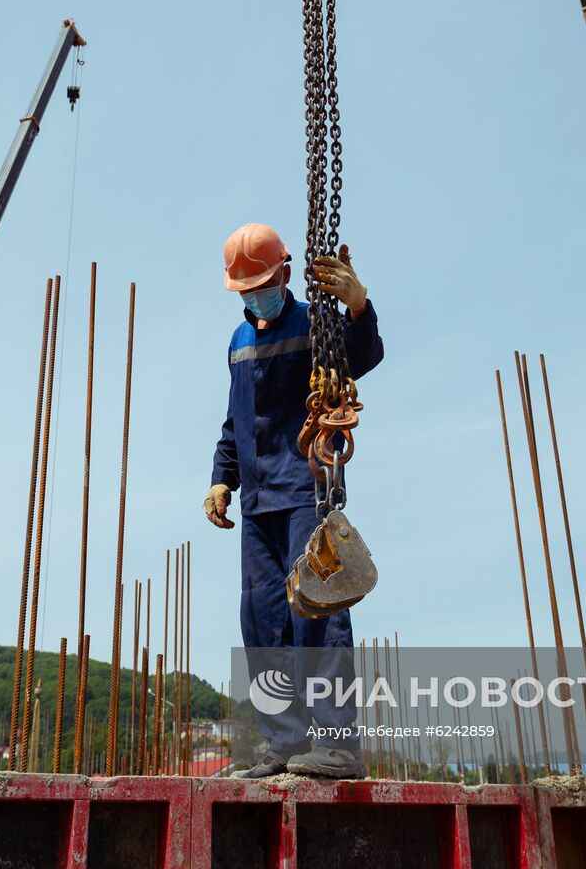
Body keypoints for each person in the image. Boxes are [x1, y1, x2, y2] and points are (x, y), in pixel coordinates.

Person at [205, 222, 384, 779]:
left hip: (305, 488)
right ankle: (284, 743)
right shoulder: (237, 343)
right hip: (257, 500)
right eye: (245, 288)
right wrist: (221, 478)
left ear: (284, 273)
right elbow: (236, 421)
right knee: (261, 621)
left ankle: (335, 744)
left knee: (317, 612)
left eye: (260, 282)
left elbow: (362, 356)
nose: (254, 295)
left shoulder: (314, 322)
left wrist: (358, 308)